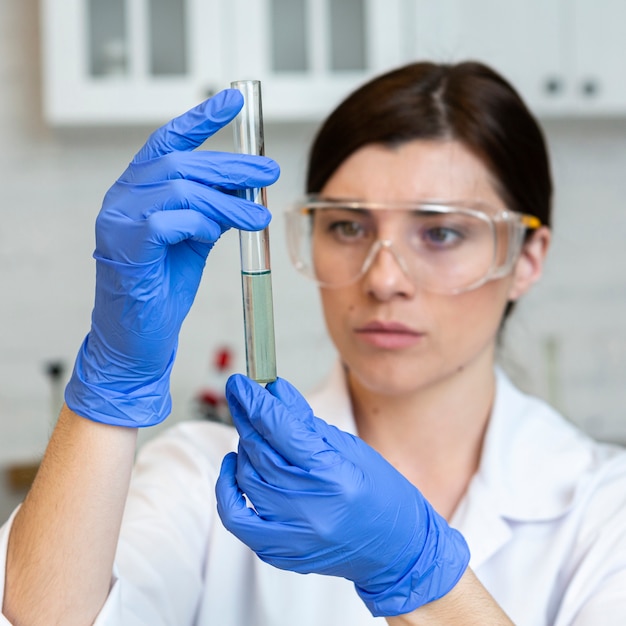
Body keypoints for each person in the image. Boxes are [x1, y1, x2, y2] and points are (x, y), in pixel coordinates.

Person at [1, 60, 626, 626]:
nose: (383, 279)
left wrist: (419, 574)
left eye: (440, 233)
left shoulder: (603, 511)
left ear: (526, 257)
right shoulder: (206, 477)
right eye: (349, 226)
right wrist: (109, 387)